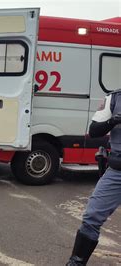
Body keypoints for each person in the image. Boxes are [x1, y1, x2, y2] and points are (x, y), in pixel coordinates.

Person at [66, 91, 121, 265]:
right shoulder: (115, 98)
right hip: (117, 171)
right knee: (92, 217)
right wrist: (114, 120)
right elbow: (94, 131)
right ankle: (76, 263)